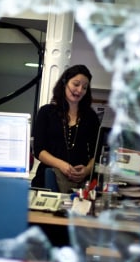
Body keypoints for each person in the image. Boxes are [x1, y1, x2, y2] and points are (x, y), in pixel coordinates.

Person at [31, 65, 101, 193]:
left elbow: (97, 152)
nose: (79, 90)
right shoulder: (46, 112)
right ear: (64, 83)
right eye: (76, 84)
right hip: (47, 180)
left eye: (84, 87)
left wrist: (87, 170)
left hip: (80, 186)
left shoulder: (90, 117)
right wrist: (62, 165)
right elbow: (39, 150)